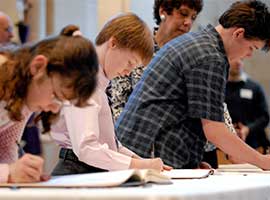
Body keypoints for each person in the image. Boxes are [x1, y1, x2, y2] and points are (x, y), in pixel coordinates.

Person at [115, 0, 270, 169]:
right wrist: (262, 160)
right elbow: (215, 131)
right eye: (252, 48)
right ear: (238, 34)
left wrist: (189, 160)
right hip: (144, 155)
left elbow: (180, 111)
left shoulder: (200, 43)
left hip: (139, 152)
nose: (248, 55)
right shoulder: (210, 57)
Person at [50, 14, 170, 176]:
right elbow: (87, 148)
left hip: (86, 169)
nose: (128, 71)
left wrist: (144, 163)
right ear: (113, 43)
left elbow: (110, 144)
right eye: (130, 62)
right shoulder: (85, 80)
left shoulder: (99, 84)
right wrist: (140, 164)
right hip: (77, 170)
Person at [0, 31, 99, 183]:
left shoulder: (24, 94)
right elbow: (7, 169)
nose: (53, 109)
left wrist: (22, 174)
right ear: (38, 66)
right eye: (55, 95)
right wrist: (8, 172)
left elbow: (5, 151)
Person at [107, 0, 203, 122]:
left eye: (193, 17)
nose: (188, 22)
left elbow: (212, 107)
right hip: (133, 134)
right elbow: (116, 103)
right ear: (162, 11)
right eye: (183, 14)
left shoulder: (193, 59)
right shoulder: (136, 49)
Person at [225, 59, 270, 152]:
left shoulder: (254, 87)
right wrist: (229, 128)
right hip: (225, 145)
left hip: (253, 144)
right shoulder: (220, 87)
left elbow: (265, 117)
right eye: (234, 59)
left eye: (241, 59)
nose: (238, 62)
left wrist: (248, 129)